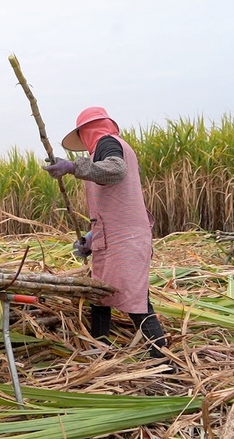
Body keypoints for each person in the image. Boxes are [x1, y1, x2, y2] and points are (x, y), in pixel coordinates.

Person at [42, 106, 168, 360]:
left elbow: (115, 170)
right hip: (115, 239)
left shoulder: (107, 143)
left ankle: (164, 359)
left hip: (125, 241)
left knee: (135, 300)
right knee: (100, 296)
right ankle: (99, 351)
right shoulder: (106, 147)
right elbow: (115, 203)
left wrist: (72, 167)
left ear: (87, 131)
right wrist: (91, 238)